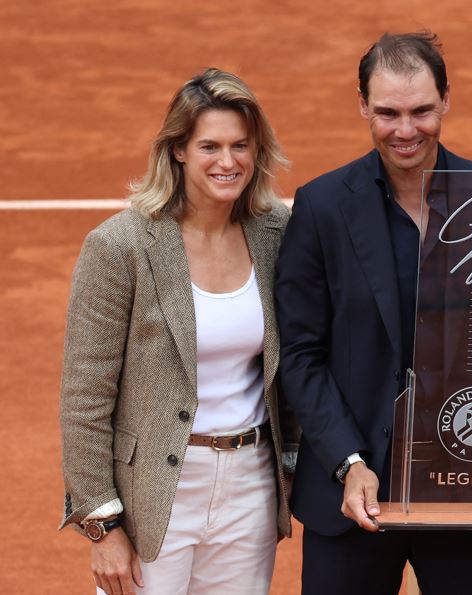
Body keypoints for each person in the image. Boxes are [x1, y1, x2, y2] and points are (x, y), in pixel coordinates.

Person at [275, 31, 472, 595]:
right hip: (353, 498)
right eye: (388, 113)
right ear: (363, 105)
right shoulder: (320, 207)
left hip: (469, 490)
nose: (405, 130)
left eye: (421, 110)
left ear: (446, 100)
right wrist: (350, 462)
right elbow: (301, 353)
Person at [59, 68, 298, 595]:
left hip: (249, 488)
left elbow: (296, 359)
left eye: (241, 146)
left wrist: (289, 464)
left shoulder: (276, 234)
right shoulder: (120, 247)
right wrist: (101, 525)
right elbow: (85, 397)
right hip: (155, 490)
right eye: (209, 145)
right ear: (179, 150)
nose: (228, 161)